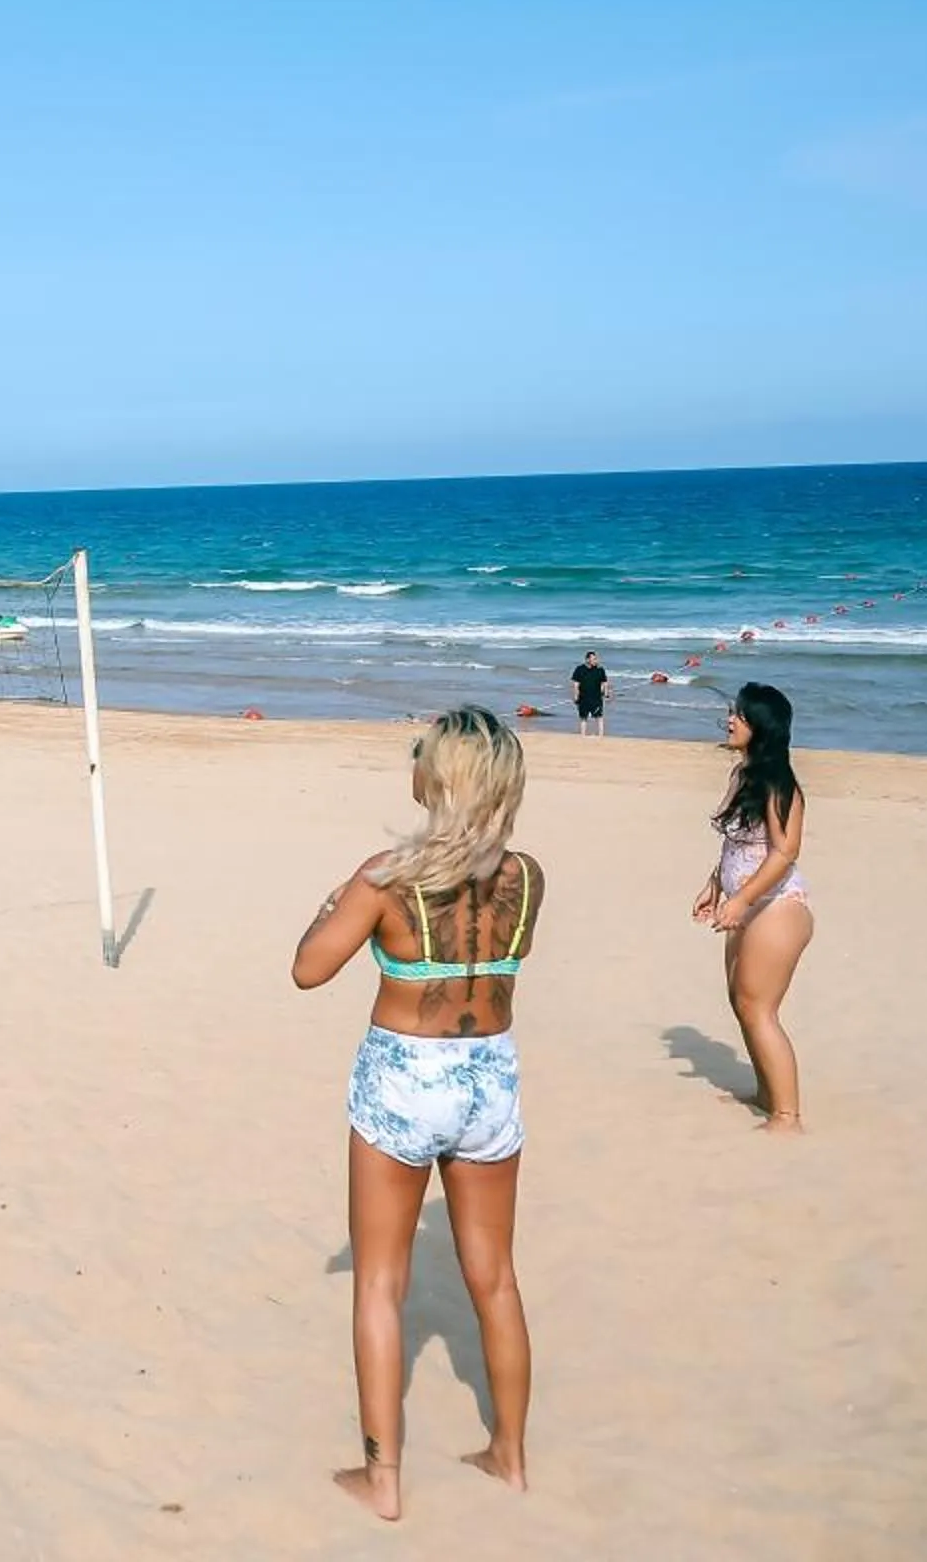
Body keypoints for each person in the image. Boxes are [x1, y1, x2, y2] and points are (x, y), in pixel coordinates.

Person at [293, 705, 544, 1521]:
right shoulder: (527, 876)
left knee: (380, 1281)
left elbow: (308, 970)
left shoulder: (386, 876)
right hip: (488, 1076)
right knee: (496, 1279)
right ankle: (508, 1455)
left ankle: (383, 1478)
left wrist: (330, 905)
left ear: (436, 779)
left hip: (404, 1077)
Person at [695, 681, 811, 1133]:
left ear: (760, 728)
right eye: (732, 713)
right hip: (745, 905)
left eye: (740, 716)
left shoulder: (780, 784)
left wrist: (742, 898)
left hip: (778, 906)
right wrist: (715, 885)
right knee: (740, 1000)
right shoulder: (742, 775)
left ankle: (788, 1115)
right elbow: (737, 843)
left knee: (759, 1006)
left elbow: (785, 851)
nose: (730, 720)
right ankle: (767, 1094)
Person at [568, 652, 608, 737]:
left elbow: (604, 683)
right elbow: (576, 683)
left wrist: (606, 693)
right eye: (593, 659)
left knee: (599, 717)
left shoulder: (600, 670)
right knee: (583, 717)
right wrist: (575, 695)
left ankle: (600, 736)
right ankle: (583, 735)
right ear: (587, 659)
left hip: (596, 698)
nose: (595, 661)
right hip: (583, 697)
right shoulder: (579, 669)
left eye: (596, 659)